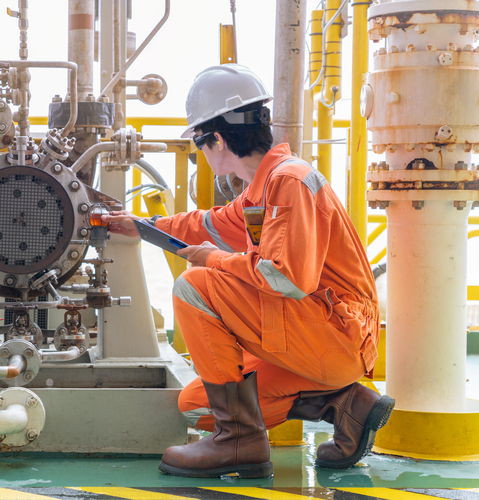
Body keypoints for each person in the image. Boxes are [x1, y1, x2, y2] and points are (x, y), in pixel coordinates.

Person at [102, 64, 394, 479]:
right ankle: (343, 404)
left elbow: (287, 279)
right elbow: (208, 224)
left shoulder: (290, 181)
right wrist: (142, 227)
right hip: (315, 337)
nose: (202, 154)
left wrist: (212, 259)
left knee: (195, 286)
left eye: (200, 143)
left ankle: (239, 441)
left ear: (217, 139)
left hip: (337, 333)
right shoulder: (263, 189)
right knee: (196, 404)